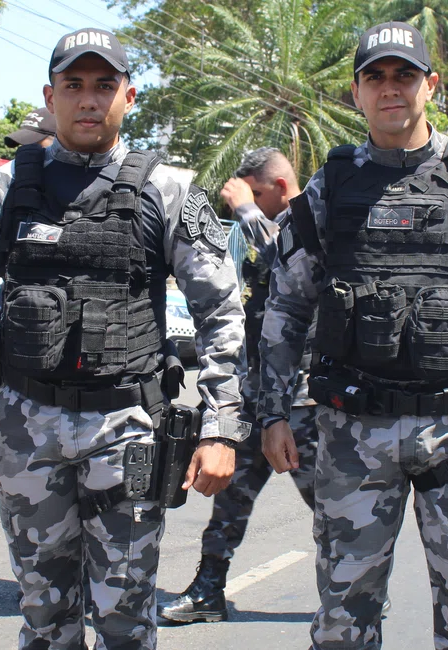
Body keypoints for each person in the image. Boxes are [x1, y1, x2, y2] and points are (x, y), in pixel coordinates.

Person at [0, 28, 248, 649]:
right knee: (45, 618)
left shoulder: (168, 192)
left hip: (128, 428)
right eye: (74, 86)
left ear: (129, 95)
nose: (89, 100)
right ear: (51, 94)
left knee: (124, 620)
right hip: (26, 430)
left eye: (103, 86)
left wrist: (222, 426)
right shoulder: (1, 191)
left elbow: (221, 312)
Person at [258, 21, 448, 649]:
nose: (389, 89)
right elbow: (286, 307)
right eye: (375, 77)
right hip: (351, 433)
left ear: (430, 84)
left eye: (404, 75)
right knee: (343, 625)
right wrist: (272, 413)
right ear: (356, 93)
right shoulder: (330, 186)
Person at [159, 148, 319, 624]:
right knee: (230, 499)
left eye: (256, 193)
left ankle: (356, 588)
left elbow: (292, 263)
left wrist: (249, 209)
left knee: (331, 506)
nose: (244, 204)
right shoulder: (259, 227)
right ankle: (209, 590)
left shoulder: (311, 218)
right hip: (255, 397)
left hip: (302, 398)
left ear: (280, 188)